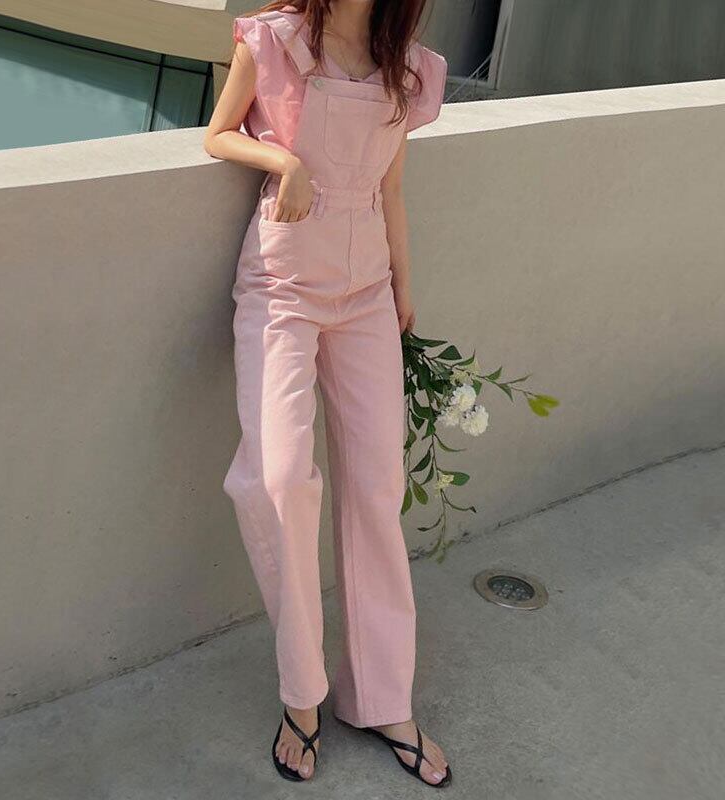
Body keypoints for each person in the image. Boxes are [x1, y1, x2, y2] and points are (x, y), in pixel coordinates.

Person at [204, 0, 451, 788]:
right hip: (282, 284)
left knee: (376, 488)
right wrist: (283, 163)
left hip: (367, 290)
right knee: (277, 480)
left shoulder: (409, 65)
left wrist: (404, 288)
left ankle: (382, 698)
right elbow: (218, 132)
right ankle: (303, 693)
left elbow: (393, 188)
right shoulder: (273, 40)